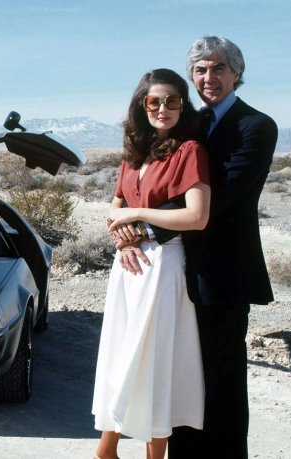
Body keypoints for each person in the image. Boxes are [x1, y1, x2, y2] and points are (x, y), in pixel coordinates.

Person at [164, 36, 278, 459]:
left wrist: (144, 223)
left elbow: (223, 194)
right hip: (176, 270)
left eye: (218, 68)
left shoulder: (256, 126)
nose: (208, 77)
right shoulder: (185, 124)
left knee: (222, 382)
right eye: (200, 69)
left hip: (225, 275)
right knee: (182, 379)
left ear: (236, 73)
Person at [91, 68, 210, 459]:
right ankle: (106, 450)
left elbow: (197, 217)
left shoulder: (189, 150)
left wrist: (136, 214)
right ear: (141, 106)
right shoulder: (134, 152)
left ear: (183, 105)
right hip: (127, 268)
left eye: (172, 100)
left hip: (163, 267)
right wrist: (120, 238)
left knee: (154, 359)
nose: (163, 108)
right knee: (120, 354)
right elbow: (114, 208)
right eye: (154, 101)